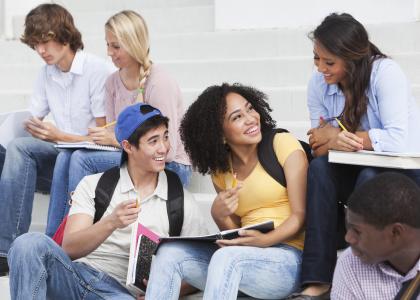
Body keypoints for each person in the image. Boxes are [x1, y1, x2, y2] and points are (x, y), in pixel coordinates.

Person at [7, 103, 207, 299]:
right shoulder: (94, 185)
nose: (163, 148)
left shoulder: (179, 201)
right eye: (153, 141)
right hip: (75, 277)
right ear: (128, 146)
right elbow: (69, 248)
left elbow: (202, 267)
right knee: (27, 243)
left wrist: (161, 292)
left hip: (119, 292)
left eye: (165, 137)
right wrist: (110, 223)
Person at [292, 13, 420, 299]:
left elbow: (397, 139)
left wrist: (337, 138)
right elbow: (317, 144)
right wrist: (334, 141)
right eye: (316, 58)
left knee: (369, 177)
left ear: (352, 59)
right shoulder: (318, 84)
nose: (321, 68)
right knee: (320, 169)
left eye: (329, 62)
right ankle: (317, 277)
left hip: (406, 175)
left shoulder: (385, 73)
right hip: (359, 166)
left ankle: (363, 268)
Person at [146, 83, 308, 300]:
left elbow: (300, 216)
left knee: (227, 258)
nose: (251, 118)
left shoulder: (282, 144)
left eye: (250, 108)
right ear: (220, 134)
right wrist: (219, 216)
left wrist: (264, 242)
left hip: (288, 259)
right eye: (237, 117)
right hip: (244, 257)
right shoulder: (221, 173)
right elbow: (236, 235)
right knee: (168, 254)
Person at [46, 10, 191, 237]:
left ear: (133, 43)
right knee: (65, 157)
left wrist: (114, 139)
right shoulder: (113, 81)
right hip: (134, 155)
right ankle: (52, 237)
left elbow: (167, 149)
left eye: (115, 46)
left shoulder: (159, 82)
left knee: (80, 160)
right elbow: (116, 132)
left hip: (170, 165)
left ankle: (73, 236)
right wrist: (104, 137)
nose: (109, 53)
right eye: (108, 45)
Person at [0, 3, 112, 276]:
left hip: (89, 161)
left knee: (62, 155)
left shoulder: (97, 70)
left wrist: (58, 135)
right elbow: (34, 118)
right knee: (13, 148)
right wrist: (29, 127)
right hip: (62, 153)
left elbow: (102, 140)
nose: (41, 50)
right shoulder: (46, 74)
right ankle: (6, 250)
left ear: (64, 35)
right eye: (35, 44)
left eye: (45, 41)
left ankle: (34, 247)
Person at [332, 172, 420, 300]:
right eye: (349, 227)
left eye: (357, 231)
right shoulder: (350, 263)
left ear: (396, 232)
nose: (348, 238)